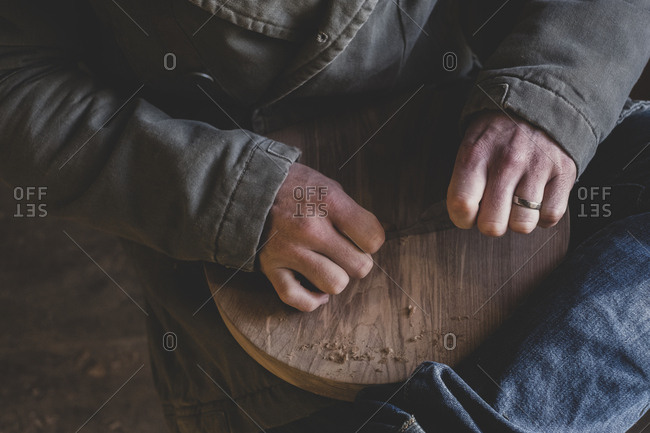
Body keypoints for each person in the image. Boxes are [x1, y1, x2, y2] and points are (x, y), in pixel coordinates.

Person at [0, 0, 648, 431]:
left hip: (480, 141)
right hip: (251, 281)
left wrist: (552, 91)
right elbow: (16, 81)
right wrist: (235, 195)